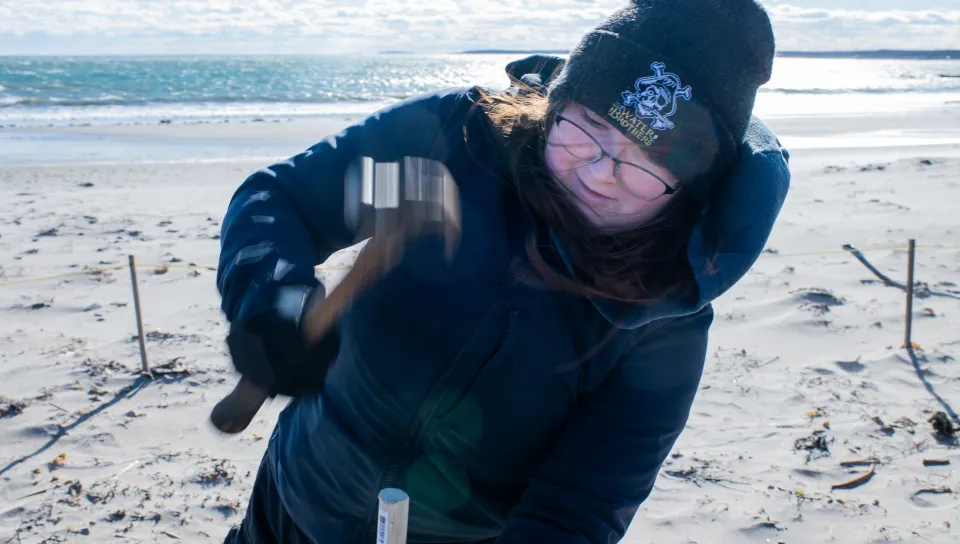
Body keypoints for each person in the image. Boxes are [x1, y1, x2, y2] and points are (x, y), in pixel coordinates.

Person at [216, 0, 790, 542]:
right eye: (588, 126)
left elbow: (579, 507)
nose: (599, 172)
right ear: (556, 103)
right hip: (296, 490)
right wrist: (271, 299)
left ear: (688, 190)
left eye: (645, 161)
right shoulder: (454, 143)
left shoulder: (662, 316)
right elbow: (284, 199)